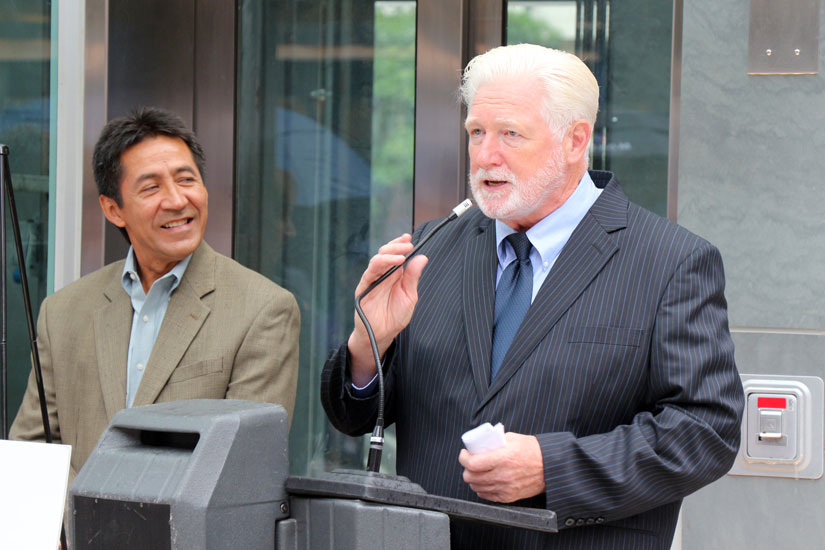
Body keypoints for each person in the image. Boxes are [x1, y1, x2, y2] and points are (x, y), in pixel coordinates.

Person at [321, 44, 744, 549]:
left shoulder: (670, 261)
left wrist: (552, 467)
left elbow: (705, 431)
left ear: (575, 140)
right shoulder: (433, 247)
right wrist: (369, 344)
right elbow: (352, 418)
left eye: (510, 134)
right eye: (476, 132)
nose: (485, 156)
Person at [11, 107, 300, 484]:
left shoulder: (262, 309)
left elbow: (242, 470)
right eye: (151, 187)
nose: (178, 200)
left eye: (186, 179)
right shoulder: (63, 312)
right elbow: (33, 451)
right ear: (113, 209)